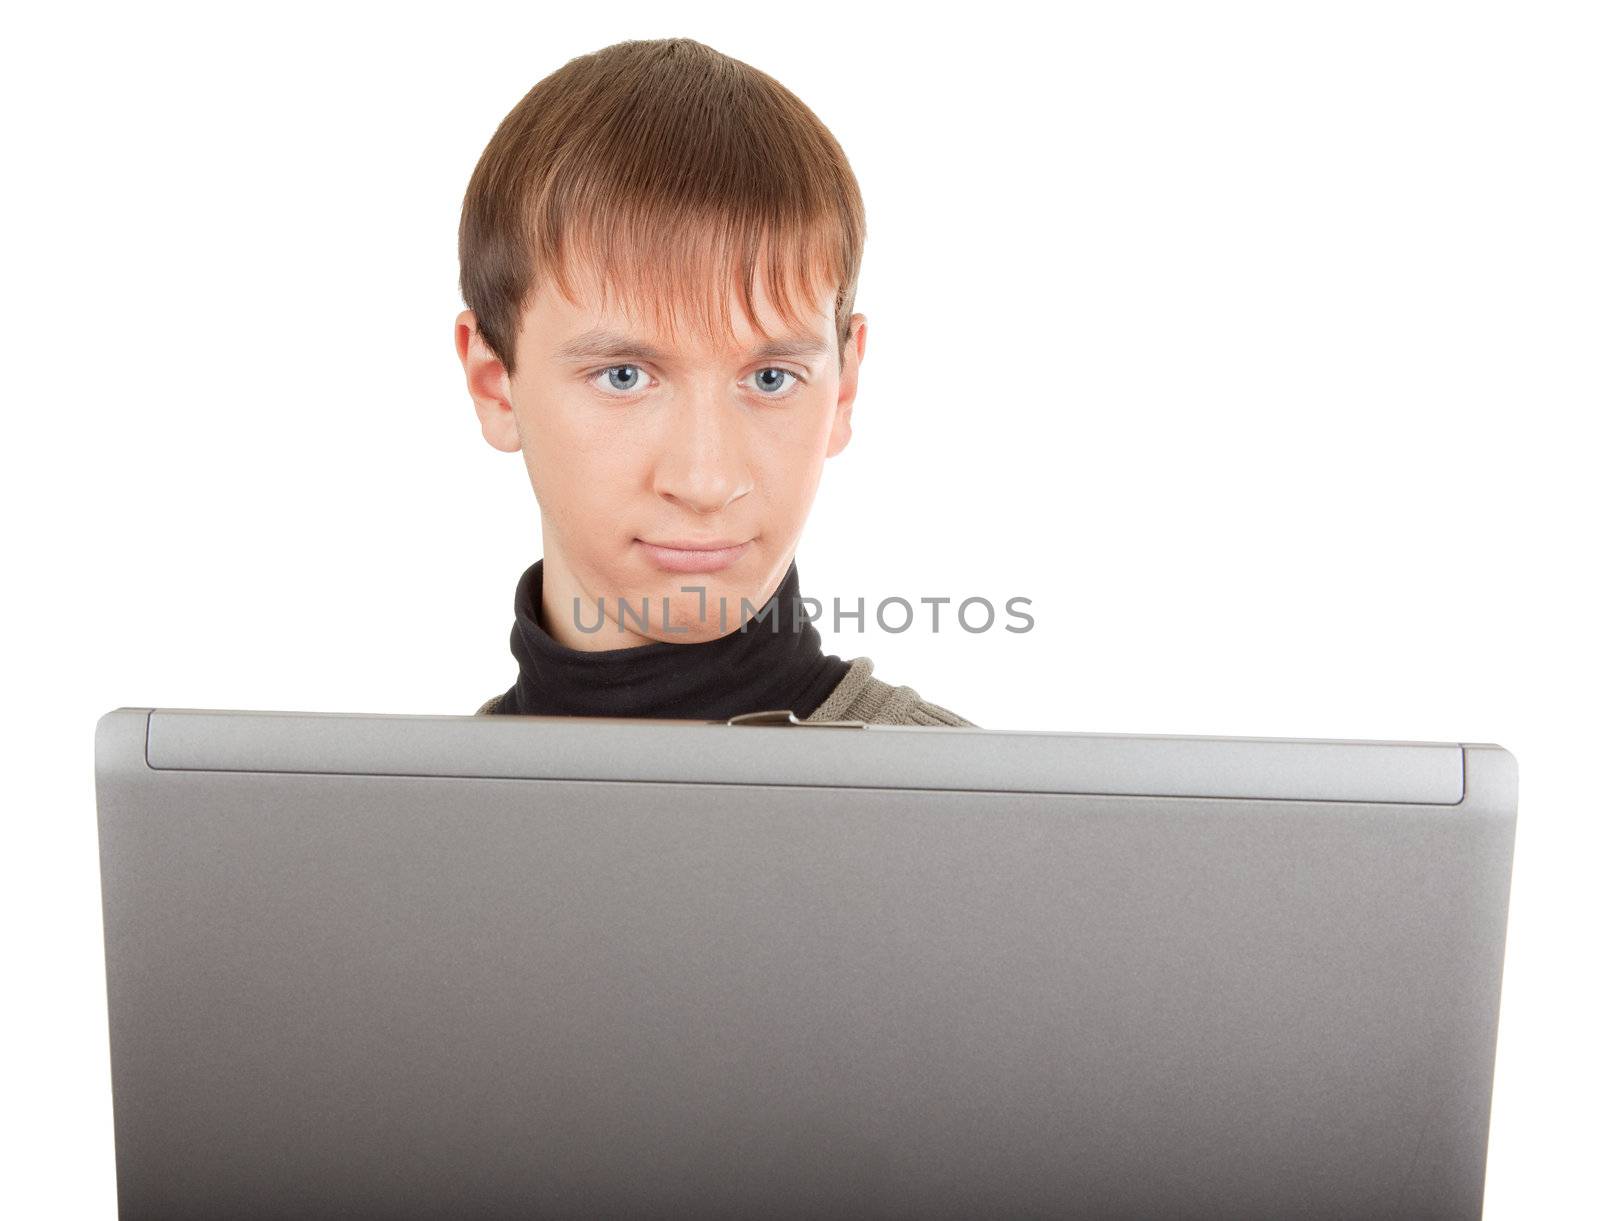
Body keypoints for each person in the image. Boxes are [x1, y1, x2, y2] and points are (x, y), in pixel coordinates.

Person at [455, 37, 972, 727]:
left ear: (842, 390)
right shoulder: (386, 827)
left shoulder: (983, 820)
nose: (705, 481)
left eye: (769, 377)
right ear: (496, 385)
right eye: (624, 375)